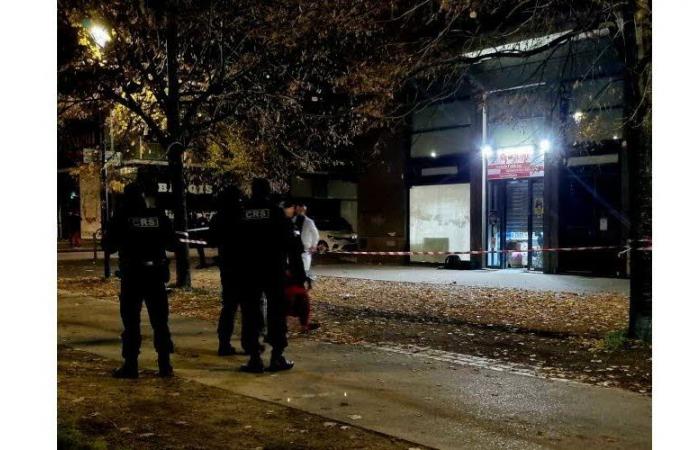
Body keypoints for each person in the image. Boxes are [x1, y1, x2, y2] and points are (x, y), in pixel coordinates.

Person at [102, 177, 177, 379]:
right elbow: (172, 243)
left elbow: (108, 246)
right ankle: (165, 365)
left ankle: (131, 365)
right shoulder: (158, 216)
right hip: (155, 275)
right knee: (160, 322)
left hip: (133, 276)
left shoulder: (121, 217)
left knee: (131, 323)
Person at [236, 179, 306, 373]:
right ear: (268, 191)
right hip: (274, 270)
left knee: (251, 314)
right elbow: (293, 247)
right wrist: (299, 276)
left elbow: (234, 245)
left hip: (249, 272)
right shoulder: (276, 213)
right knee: (277, 312)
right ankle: (277, 357)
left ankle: (254, 358)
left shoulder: (243, 213)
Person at [208, 184, 254, 356]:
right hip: (246, 267)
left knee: (229, 307)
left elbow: (211, 241)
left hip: (228, 267)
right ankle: (249, 344)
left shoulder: (219, 217)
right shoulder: (245, 215)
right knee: (248, 308)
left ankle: (224, 343)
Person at [293, 201, 320, 275]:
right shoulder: (292, 220)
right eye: (299, 210)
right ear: (296, 210)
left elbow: (316, 235)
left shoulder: (309, 222)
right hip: (294, 248)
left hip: (305, 249)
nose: (300, 211)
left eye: (302, 210)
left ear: (305, 210)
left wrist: (314, 246)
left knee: (305, 269)